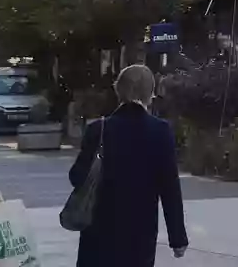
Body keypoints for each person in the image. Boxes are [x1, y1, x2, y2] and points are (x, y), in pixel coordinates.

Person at [70, 65, 188, 267]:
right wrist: (177, 238)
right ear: (150, 94)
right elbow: (170, 189)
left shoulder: (98, 129)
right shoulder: (161, 131)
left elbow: (77, 177)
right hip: (139, 235)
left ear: (118, 90)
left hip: (98, 232)